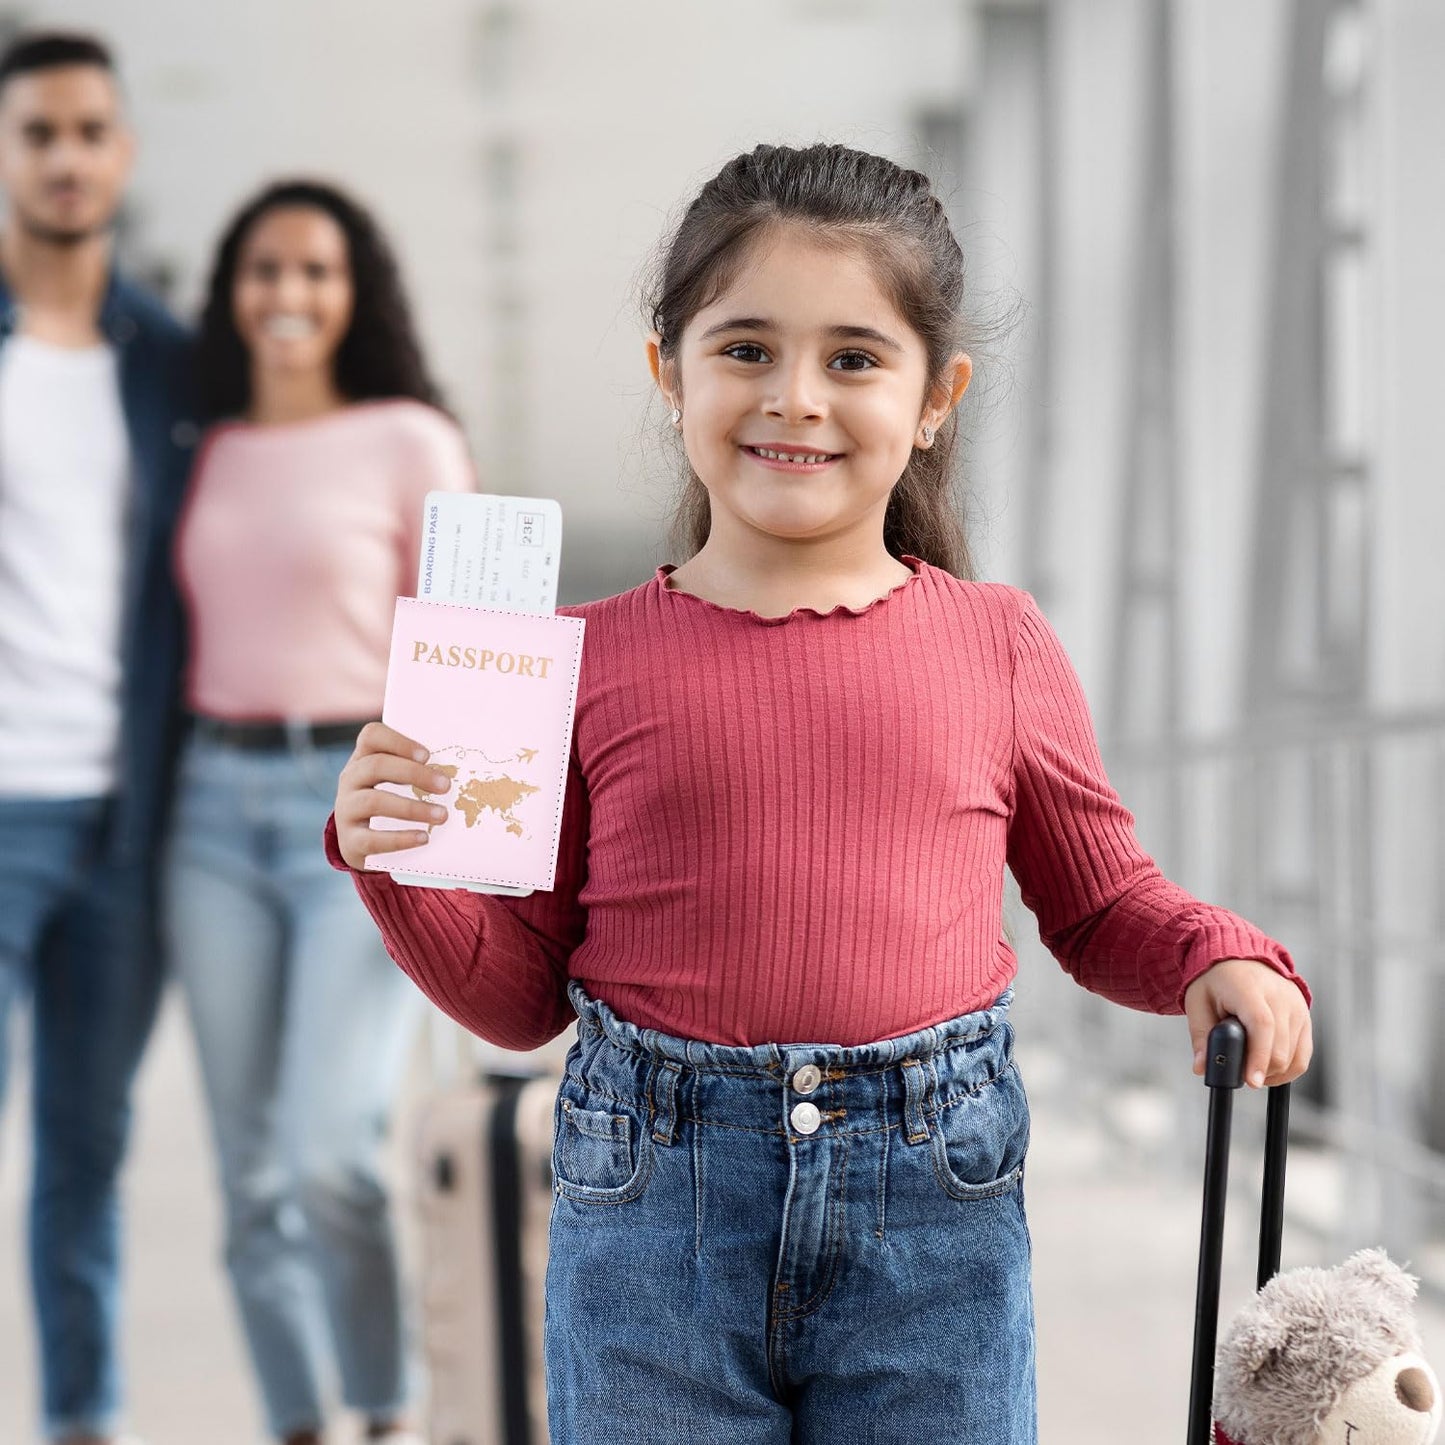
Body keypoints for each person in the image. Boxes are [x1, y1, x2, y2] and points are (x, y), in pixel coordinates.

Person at [328, 143, 1313, 1444]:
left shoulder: (996, 644)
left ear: (935, 396)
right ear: (666, 371)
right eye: (744, 349)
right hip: (649, 1212)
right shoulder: (579, 662)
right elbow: (518, 998)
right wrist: (393, 859)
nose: (794, 397)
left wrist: (1213, 952)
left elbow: (1098, 902)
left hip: (933, 1213)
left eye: (853, 357)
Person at [164, 180, 472, 1445]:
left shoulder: (410, 439)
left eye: (316, 272)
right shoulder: (208, 445)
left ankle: (384, 1403)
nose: (287, 295)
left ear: (356, 295)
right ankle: (297, 1420)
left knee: (329, 1148)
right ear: (232, 289)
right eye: (264, 270)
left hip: (357, 809)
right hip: (206, 811)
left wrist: (473, 840)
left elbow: (461, 651)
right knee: (245, 1176)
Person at [0, 31, 196, 1445]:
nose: (65, 157)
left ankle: (82, 1418)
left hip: (126, 823)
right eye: (37, 133)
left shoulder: (173, 368)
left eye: (87, 131)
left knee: (86, 1151)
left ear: (123, 153)